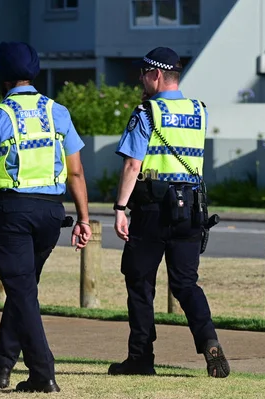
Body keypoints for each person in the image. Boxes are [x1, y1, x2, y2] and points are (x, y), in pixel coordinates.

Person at [0, 41, 92, 393]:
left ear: (2, 76)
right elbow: (76, 173)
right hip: (50, 214)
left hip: (13, 213)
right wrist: (84, 218)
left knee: (22, 293)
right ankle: (1, 367)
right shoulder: (57, 112)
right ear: (35, 73)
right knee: (23, 292)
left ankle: (43, 372)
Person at [110, 47, 230, 378]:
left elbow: (133, 164)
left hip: (152, 209)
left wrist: (120, 208)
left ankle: (141, 358)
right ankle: (210, 343)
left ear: (157, 75)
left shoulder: (146, 112)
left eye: (143, 73)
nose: (140, 79)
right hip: (192, 208)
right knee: (186, 283)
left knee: (139, 282)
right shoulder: (199, 111)